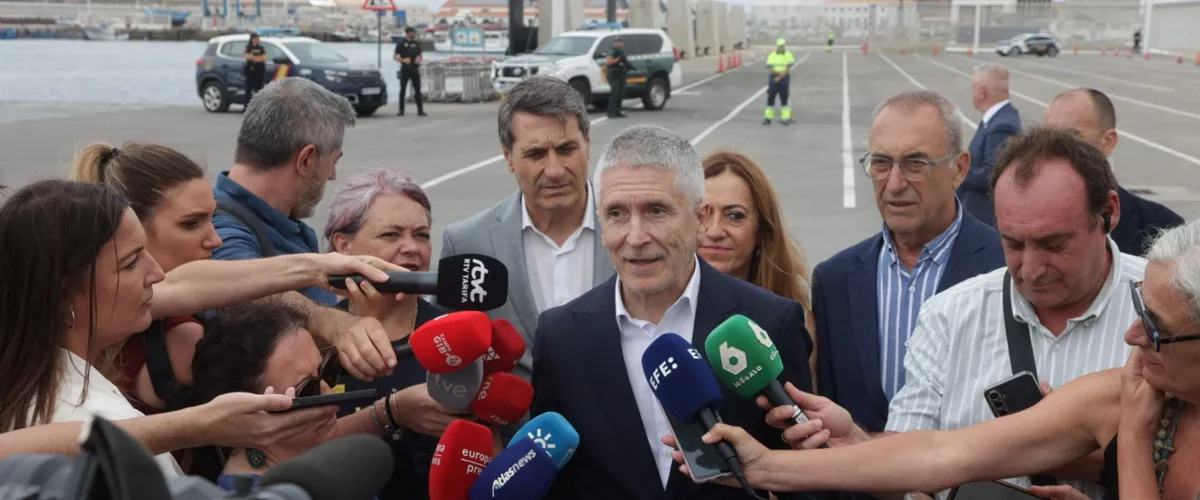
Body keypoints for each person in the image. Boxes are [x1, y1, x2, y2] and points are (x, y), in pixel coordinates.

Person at [667, 216, 1200, 500]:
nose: (1132, 336)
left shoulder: (1130, 405)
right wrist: (767, 467)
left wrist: (1130, 442)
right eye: (1138, 307)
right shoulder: (1122, 390)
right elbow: (945, 454)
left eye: (1158, 328)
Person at [529, 124, 820, 500]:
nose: (635, 237)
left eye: (656, 211)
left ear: (698, 218)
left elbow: (810, 476)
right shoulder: (559, 336)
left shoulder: (770, 321)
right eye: (616, 213)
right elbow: (556, 481)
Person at [0, 180, 337, 473]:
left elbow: (185, 287)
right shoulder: (98, 415)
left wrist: (318, 270)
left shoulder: (31, 366)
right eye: (130, 262)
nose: (158, 273)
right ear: (63, 296)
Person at [812, 91, 1004, 438]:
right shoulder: (834, 280)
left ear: (959, 169)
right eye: (881, 163)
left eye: (916, 163)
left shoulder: (1005, 267)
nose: (895, 184)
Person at [211, 76, 399, 383]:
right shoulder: (219, 225)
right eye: (333, 161)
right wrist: (329, 322)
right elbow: (236, 284)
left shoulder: (288, 225)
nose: (334, 175)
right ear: (307, 159)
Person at [441, 75, 615, 384]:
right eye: (535, 154)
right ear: (508, 157)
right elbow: (452, 360)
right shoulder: (467, 243)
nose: (555, 170)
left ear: (587, 145)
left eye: (566, 149)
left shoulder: (633, 230)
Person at [189, 301, 459, 491]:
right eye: (308, 389)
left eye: (328, 371)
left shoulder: (297, 449)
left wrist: (393, 411)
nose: (330, 395)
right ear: (248, 413)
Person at [324, 169, 467, 500]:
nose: (411, 249)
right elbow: (290, 452)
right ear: (343, 246)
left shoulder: (458, 336)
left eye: (421, 235)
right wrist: (388, 414)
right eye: (391, 235)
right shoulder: (311, 339)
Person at [698, 149, 817, 377]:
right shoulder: (657, 313)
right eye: (702, 214)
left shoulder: (795, 320)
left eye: (734, 215)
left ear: (762, 230)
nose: (713, 231)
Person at [1041, 88, 1183, 257]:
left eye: (1070, 137)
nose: (1055, 149)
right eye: (1047, 138)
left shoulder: (1165, 231)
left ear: (1108, 141)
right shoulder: (1018, 222)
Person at [957, 63, 1020, 227]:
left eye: (973, 87)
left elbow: (992, 174)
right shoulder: (996, 118)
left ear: (982, 92)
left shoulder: (1002, 126)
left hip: (983, 220)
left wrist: (957, 171)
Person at [394, 26, 426, 117]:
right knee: (403, 89)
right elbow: (395, 57)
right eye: (412, 32)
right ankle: (401, 110)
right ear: (408, 33)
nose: (414, 34)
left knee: (418, 90)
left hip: (415, 68)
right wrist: (404, 60)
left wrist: (419, 59)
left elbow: (420, 55)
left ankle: (420, 110)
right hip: (405, 68)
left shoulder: (416, 43)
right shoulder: (401, 43)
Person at [763, 38, 796, 126]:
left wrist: (780, 77)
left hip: (784, 78)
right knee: (771, 97)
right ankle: (768, 118)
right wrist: (777, 75)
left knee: (784, 98)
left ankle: (785, 118)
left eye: (783, 46)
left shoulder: (788, 54)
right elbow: (770, 67)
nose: (782, 47)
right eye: (780, 46)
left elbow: (788, 67)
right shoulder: (772, 55)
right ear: (777, 46)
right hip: (774, 77)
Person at [605, 36, 634, 118]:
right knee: (615, 93)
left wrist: (629, 67)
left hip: (621, 73)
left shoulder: (621, 51)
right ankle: (611, 112)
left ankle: (618, 111)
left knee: (621, 94)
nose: (618, 43)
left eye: (619, 42)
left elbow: (625, 61)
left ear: (622, 43)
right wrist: (617, 59)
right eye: (617, 41)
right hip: (614, 74)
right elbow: (609, 62)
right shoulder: (612, 50)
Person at [244, 33, 267, 101]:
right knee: (249, 89)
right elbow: (247, 56)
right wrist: (258, 58)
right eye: (256, 38)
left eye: (258, 38)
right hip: (250, 71)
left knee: (259, 88)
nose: (258, 40)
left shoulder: (261, 48)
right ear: (252, 39)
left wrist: (254, 58)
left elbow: (264, 57)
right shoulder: (248, 47)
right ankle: (246, 105)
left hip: (259, 71)